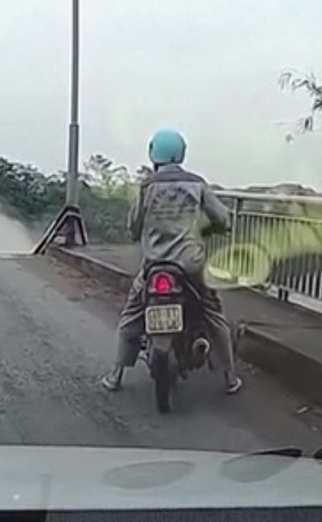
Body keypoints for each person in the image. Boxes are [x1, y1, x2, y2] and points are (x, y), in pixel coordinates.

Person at [100, 129, 243, 394]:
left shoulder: (147, 186)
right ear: (180, 153)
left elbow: (133, 226)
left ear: (154, 153)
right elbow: (223, 219)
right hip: (191, 266)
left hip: (154, 266)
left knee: (131, 315)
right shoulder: (197, 184)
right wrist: (217, 228)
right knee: (213, 313)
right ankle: (230, 377)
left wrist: (140, 233)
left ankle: (115, 375)